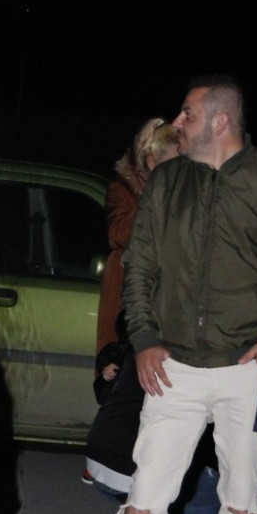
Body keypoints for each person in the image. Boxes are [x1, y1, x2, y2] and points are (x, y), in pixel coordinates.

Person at [78, 76, 257, 514]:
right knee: (147, 493)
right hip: (175, 366)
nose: (177, 123)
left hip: (247, 367)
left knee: (244, 497)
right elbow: (139, 265)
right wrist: (143, 339)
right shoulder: (167, 181)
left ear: (220, 120)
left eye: (187, 114)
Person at [97, 116, 178, 356]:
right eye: (172, 163)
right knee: (123, 367)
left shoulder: (180, 193)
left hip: (164, 301)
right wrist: (154, 193)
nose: (178, 170)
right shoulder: (123, 189)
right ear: (152, 161)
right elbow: (118, 234)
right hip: (127, 294)